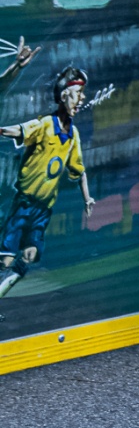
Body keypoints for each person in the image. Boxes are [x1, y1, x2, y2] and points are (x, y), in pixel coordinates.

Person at [0, 66, 95, 300]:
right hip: (24, 204)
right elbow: (19, 130)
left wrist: (87, 198)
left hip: (43, 210)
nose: (82, 98)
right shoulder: (44, 125)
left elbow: (79, 170)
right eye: (78, 93)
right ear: (64, 95)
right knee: (6, 259)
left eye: (83, 93)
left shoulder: (73, 136)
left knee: (30, 255)